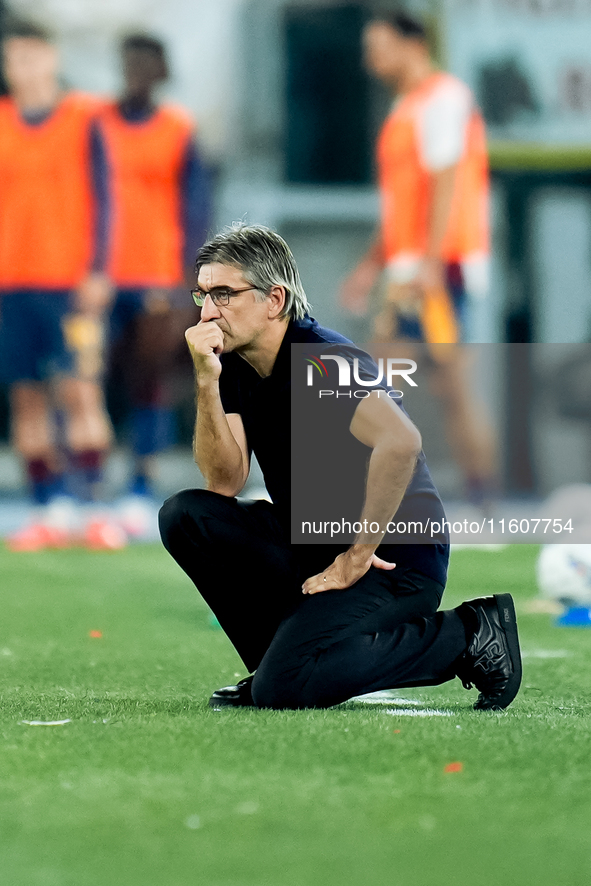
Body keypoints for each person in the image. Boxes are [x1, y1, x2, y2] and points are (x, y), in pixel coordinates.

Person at [158, 223, 521, 712]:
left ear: (274, 299)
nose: (207, 311)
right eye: (202, 294)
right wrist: (206, 382)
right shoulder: (234, 364)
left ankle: (467, 634)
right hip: (312, 542)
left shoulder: (321, 360)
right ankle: (278, 668)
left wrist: (356, 553)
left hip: (394, 559)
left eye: (224, 293)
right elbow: (224, 481)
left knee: (284, 690)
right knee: (187, 515)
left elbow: (401, 441)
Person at [340, 10, 496, 508]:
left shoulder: (444, 97)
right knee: (378, 381)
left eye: (378, 47)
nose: (370, 60)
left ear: (413, 44)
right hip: (408, 268)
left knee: (450, 386)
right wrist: (371, 264)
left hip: (439, 268)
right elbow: (402, 200)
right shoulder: (403, 106)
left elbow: (446, 183)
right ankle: (383, 498)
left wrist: (429, 264)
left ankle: (483, 498)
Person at [0, 21, 119, 551]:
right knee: (26, 398)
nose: (20, 67)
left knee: (80, 391)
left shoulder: (83, 119)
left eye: (29, 56)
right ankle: (46, 508)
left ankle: (94, 507)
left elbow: (106, 198)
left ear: (49, 58)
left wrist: (99, 270)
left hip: (69, 285)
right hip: (11, 284)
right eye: (12, 58)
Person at [99, 34, 209, 510]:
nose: (137, 73)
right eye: (130, 64)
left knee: (150, 376)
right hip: (98, 274)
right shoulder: (96, 124)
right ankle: (87, 474)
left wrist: (190, 276)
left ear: (161, 72)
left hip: (156, 273)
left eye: (147, 65)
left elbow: (196, 207)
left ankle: (141, 477)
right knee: (91, 374)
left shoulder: (178, 129)